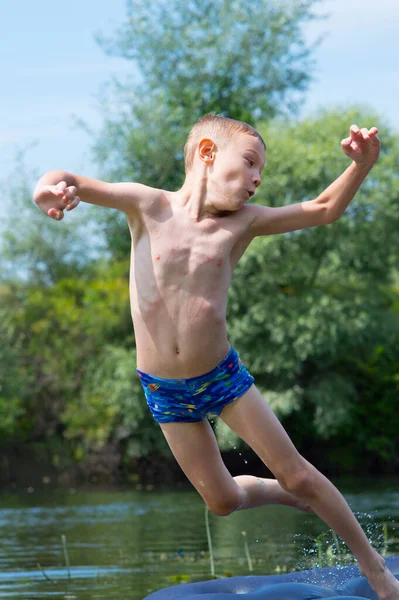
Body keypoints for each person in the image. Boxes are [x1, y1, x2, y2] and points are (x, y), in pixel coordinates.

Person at [33, 114, 399, 599]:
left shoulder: (243, 224)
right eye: (250, 163)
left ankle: (374, 568)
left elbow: (324, 208)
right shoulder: (148, 205)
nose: (256, 179)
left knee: (296, 471)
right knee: (222, 501)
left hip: (223, 378)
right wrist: (47, 192)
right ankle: (276, 492)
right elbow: (70, 180)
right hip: (163, 389)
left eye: (260, 172)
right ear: (207, 153)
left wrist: (363, 165)